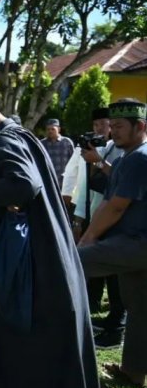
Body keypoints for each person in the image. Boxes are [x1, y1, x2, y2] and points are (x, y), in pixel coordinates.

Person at [0, 93, 100, 388]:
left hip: (37, 270)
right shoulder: (24, 136)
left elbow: (23, 185)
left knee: (16, 343)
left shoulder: (1, 142)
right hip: (52, 254)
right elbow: (31, 203)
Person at [78, 99, 147, 388]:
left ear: (140, 126)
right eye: (112, 126)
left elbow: (116, 205)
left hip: (137, 244)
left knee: (66, 264)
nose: (113, 132)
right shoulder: (127, 158)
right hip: (134, 244)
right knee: (140, 308)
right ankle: (134, 373)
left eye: (120, 127)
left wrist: (88, 238)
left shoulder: (138, 159)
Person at [71, 108, 125, 345]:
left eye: (115, 124)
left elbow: (124, 181)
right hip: (101, 215)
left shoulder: (137, 153)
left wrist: (100, 162)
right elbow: (90, 185)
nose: (109, 128)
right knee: (110, 276)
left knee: (118, 279)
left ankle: (118, 327)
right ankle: (113, 319)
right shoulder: (111, 147)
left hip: (122, 223)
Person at [41, 118, 75, 187]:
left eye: (52, 129)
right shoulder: (41, 144)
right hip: (48, 183)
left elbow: (73, 162)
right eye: (48, 129)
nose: (50, 131)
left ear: (59, 129)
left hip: (65, 183)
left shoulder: (67, 142)